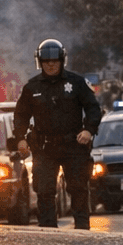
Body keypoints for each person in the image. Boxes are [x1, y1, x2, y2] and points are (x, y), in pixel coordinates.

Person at [13, 38, 101, 230]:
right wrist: (20, 139)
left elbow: (94, 109)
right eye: (46, 61)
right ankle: (48, 231)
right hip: (45, 148)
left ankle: (82, 230)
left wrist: (89, 130)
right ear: (40, 62)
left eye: (55, 61)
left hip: (74, 145)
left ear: (62, 61)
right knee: (44, 191)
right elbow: (20, 115)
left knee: (78, 189)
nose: (51, 64)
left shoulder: (77, 83)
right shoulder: (32, 87)